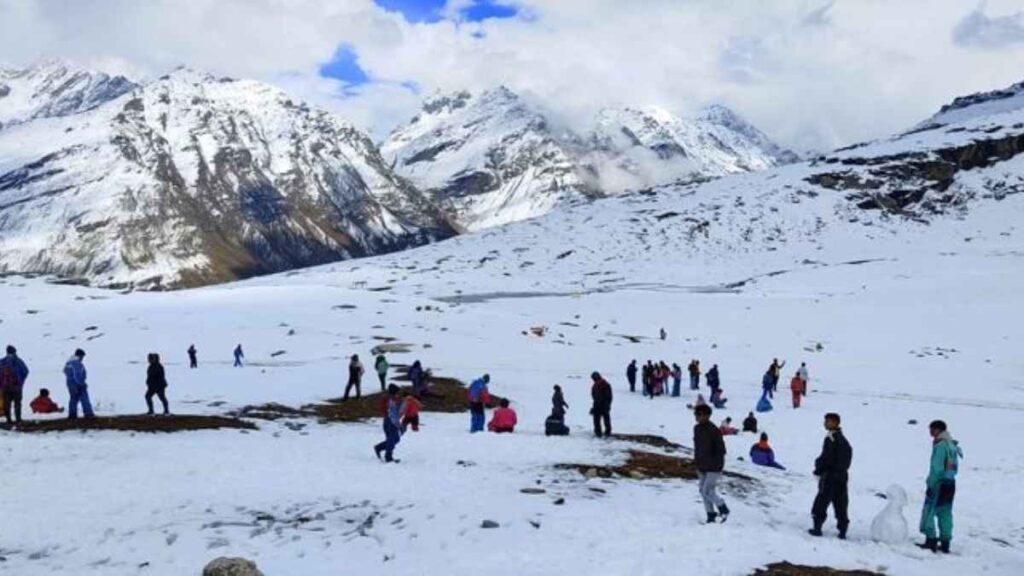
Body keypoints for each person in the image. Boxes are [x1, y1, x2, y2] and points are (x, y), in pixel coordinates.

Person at [918, 420, 962, 553]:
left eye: (931, 429)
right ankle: (945, 542)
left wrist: (930, 484)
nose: (930, 432)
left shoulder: (941, 446)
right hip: (950, 484)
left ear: (938, 430)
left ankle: (930, 540)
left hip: (938, 484)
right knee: (945, 512)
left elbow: (937, 468)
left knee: (929, 511)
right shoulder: (951, 445)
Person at [810, 412, 853, 539]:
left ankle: (817, 528)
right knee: (841, 503)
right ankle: (842, 531)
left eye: (827, 421)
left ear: (835, 423)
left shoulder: (832, 438)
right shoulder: (843, 440)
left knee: (821, 502)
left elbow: (826, 458)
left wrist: (818, 469)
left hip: (830, 476)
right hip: (842, 476)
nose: (825, 423)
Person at [694, 404, 729, 523]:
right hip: (701, 465)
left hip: (714, 466)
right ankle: (710, 515)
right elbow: (697, 447)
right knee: (702, 491)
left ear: (707, 415)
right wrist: (697, 462)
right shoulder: (697, 429)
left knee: (707, 490)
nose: (697, 417)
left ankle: (723, 508)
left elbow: (721, 450)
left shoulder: (714, 430)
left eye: (699, 414)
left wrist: (716, 464)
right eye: (696, 414)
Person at [0, 345, 30, 425]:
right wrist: (21, 382)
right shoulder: (18, 361)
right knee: (17, 403)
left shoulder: (2, 361)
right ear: (14, 351)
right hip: (16, 387)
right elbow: (26, 371)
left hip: (5, 387)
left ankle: (8, 419)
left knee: (7, 403)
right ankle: (18, 419)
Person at [373, 384, 402, 463]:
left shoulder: (391, 399)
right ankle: (388, 457)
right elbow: (392, 412)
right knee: (392, 439)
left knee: (395, 439)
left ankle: (379, 448)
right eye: (397, 391)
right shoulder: (390, 400)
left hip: (389, 421)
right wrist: (396, 423)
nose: (398, 393)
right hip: (390, 421)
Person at [64, 348, 95, 419]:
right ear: (80, 355)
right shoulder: (76, 363)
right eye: (82, 356)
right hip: (78, 385)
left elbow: (65, 371)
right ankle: (88, 414)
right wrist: (81, 383)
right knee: (84, 399)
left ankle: (72, 414)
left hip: (70, 384)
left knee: (73, 399)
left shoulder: (69, 362)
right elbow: (77, 374)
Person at [590, 371, 613, 438]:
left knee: (605, 419)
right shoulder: (595, 385)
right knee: (597, 420)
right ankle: (599, 432)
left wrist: (607, 404)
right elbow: (594, 396)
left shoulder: (605, 384)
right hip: (597, 405)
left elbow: (608, 396)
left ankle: (606, 432)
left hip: (603, 405)